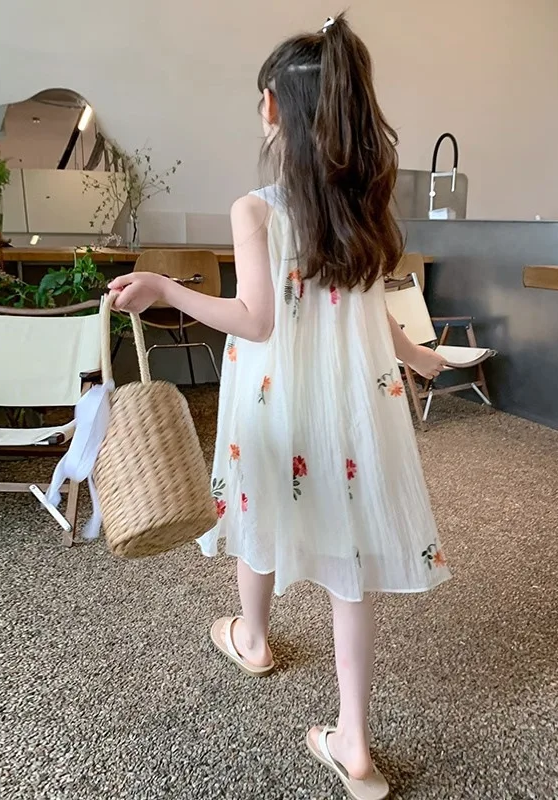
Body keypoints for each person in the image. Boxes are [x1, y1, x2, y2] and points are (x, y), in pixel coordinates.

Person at [109, 13, 451, 799]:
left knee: (259, 503)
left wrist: (166, 290)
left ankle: (254, 637)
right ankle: (354, 742)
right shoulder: (365, 205)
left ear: (272, 106)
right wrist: (419, 356)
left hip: (272, 400)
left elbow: (255, 320)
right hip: (351, 408)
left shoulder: (256, 209)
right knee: (348, 561)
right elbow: (369, 308)